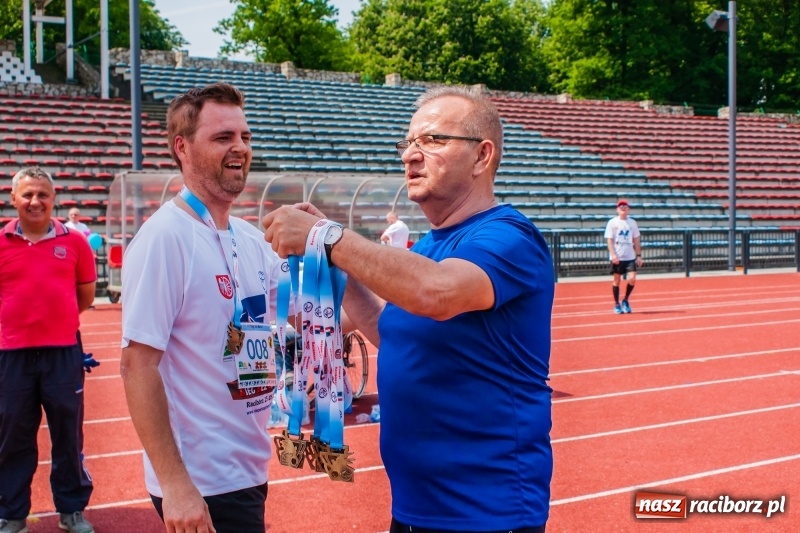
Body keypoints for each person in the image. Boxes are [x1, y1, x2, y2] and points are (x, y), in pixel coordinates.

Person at [264, 86, 554, 533]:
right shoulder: (429, 245)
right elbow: (392, 330)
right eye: (408, 143)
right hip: (415, 509)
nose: (411, 156)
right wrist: (333, 271)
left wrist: (327, 236)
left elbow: (435, 294)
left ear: (482, 156)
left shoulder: (508, 237)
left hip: (486, 513)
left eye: (433, 140)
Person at [120, 82, 285, 533]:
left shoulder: (251, 239)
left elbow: (298, 323)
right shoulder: (164, 239)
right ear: (182, 147)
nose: (240, 148)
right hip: (202, 481)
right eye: (223, 137)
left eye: (245, 137)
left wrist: (327, 249)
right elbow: (137, 365)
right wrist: (175, 484)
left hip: (248, 465)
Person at [0, 167, 96, 533]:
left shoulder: (74, 243)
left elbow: (84, 296)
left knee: (68, 436)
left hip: (62, 352)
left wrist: (56, 319)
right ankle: (11, 513)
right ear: (13, 199)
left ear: (54, 199)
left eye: (42, 194)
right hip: (12, 356)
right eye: (27, 194)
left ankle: (72, 511)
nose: (35, 201)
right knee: (12, 436)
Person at [604, 198, 643, 314]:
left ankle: (625, 300)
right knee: (617, 280)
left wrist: (639, 255)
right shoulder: (612, 222)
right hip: (618, 256)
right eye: (621, 206)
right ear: (617, 209)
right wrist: (613, 255)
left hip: (630, 256)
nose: (623, 208)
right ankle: (617, 304)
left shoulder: (632, 222)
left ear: (628, 209)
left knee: (632, 278)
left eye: (625, 206)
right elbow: (609, 240)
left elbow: (636, 240)